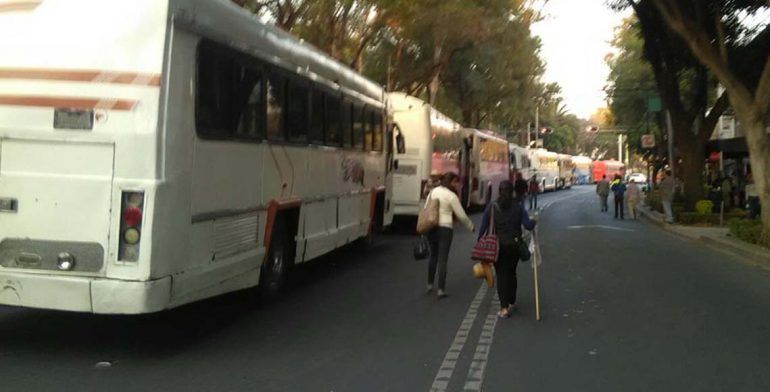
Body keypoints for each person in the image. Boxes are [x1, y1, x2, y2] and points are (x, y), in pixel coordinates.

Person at [477, 181, 536, 319]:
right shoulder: (519, 207)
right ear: (512, 191)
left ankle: (503, 308)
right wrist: (534, 221)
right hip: (515, 245)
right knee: (511, 273)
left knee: (501, 275)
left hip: (497, 246)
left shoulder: (491, 207)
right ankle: (511, 301)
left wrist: (480, 241)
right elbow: (528, 225)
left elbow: (483, 226)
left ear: (499, 191)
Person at [426, 172, 475, 298]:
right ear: (451, 182)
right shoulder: (451, 196)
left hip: (432, 227)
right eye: (456, 182)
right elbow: (461, 215)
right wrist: (470, 226)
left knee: (433, 256)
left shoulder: (434, 191)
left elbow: (426, 207)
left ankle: (430, 284)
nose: (457, 185)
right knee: (443, 259)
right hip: (445, 229)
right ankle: (441, 289)